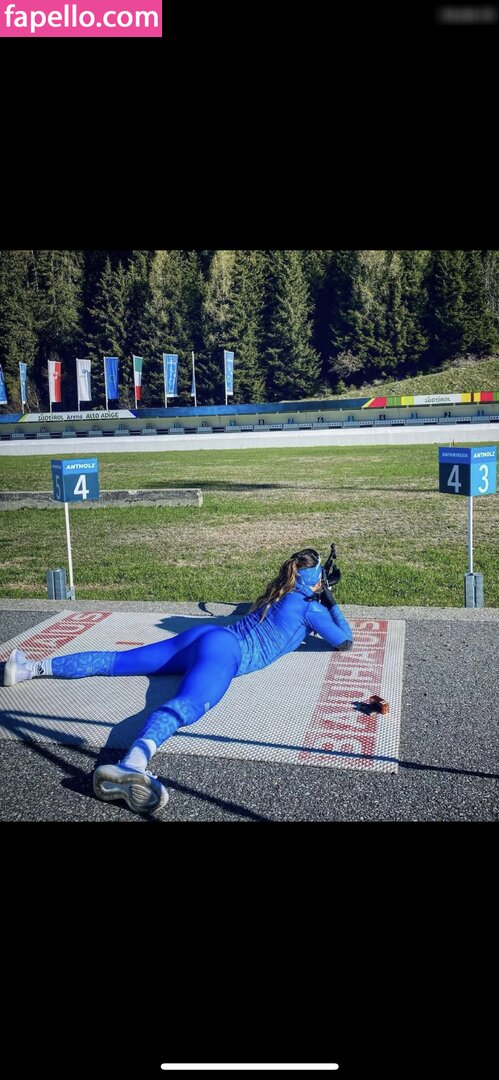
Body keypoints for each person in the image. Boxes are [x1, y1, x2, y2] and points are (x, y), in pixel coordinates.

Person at [4, 548, 353, 815]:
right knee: (187, 705)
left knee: (117, 661)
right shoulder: (313, 608)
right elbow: (343, 640)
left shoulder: (277, 593)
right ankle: (133, 764)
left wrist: (318, 591)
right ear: (315, 580)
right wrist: (331, 600)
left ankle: (28, 668)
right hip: (225, 654)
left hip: (203, 637)